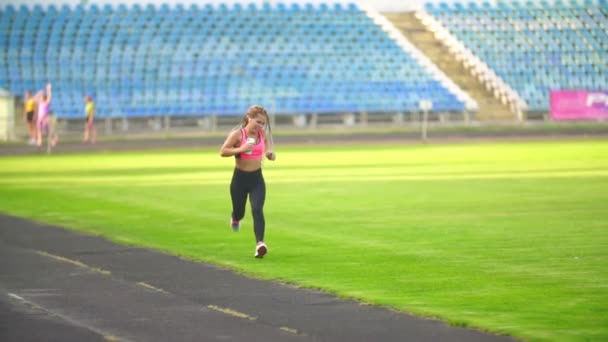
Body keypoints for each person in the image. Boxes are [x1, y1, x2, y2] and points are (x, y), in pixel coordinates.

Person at [220, 105, 276, 258]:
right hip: (240, 179)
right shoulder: (238, 134)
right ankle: (235, 217)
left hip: (257, 179)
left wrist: (270, 154)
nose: (260, 126)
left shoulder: (261, 134)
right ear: (249, 118)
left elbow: (267, 149)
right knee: (240, 211)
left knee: (257, 209)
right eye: (258, 122)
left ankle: (260, 244)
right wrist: (241, 149)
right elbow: (223, 151)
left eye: (263, 123)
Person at [35, 83, 56, 147]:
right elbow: (35, 99)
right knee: (39, 129)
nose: (40, 98)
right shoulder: (40, 103)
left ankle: (53, 139)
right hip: (40, 118)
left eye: (41, 97)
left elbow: (49, 96)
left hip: (45, 118)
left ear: (44, 98)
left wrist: (48, 89)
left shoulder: (46, 102)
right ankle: (39, 141)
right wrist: (38, 93)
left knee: (48, 130)